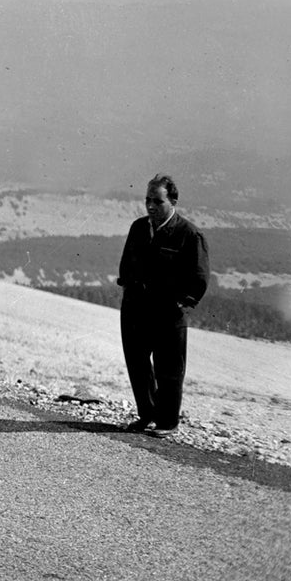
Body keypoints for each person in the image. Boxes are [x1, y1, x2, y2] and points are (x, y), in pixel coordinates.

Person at [116, 173, 210, 438]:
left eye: (157, 201)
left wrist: (182, 302)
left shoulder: (189, 234)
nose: (150, 206)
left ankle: (168, 422)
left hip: (168, 314)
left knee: (169, 368)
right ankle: (147, 414)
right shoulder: (138, 227)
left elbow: (200, 277)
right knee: (137, 363)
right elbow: (126, 263)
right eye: (147, 200)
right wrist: (128, 289)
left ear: (173, 201)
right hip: (136, 309)